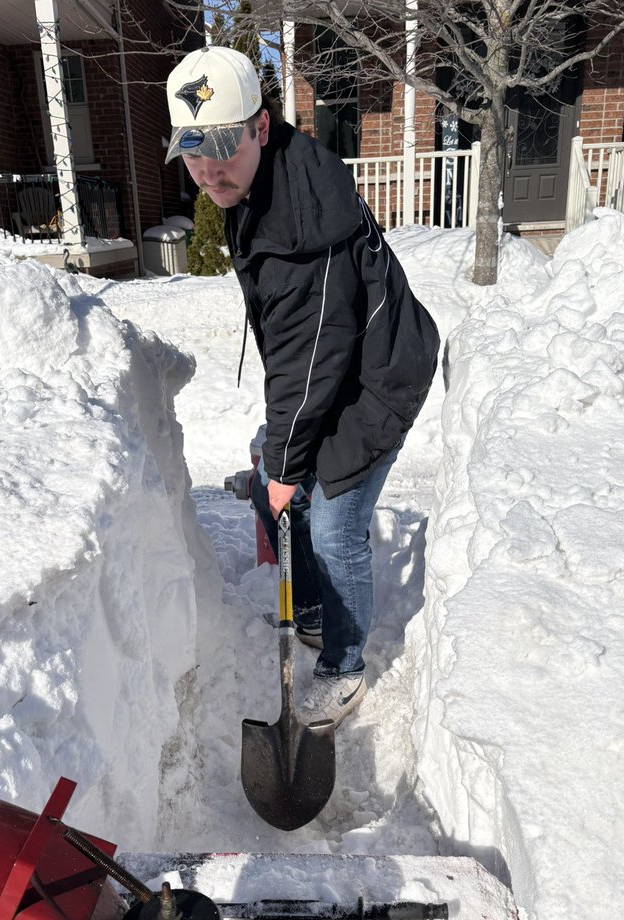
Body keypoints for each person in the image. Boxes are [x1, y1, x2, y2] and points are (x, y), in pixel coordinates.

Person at [165, 46, 440, 726]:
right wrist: (282, 472)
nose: (208, 170)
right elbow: (303, 354)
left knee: (335, 524)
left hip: (380, 374)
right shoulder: (259, 178)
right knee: (275, 486)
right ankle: (313, 610)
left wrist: (290, 469)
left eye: (222, 148)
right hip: (340, 361)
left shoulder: (299, 232)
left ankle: (344, 665)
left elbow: (309, 363)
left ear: (261, 127)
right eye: (192, 152)